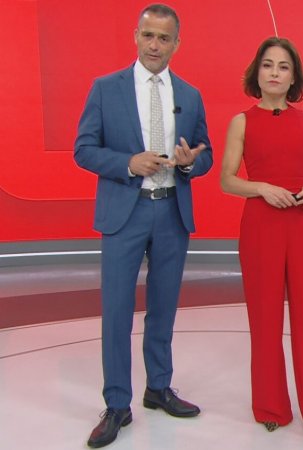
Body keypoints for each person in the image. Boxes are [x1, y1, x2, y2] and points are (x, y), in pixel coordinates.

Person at [74, 4, 213, 448]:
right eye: (148, 35)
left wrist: (190, 164)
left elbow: (206, 153)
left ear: (177, 43)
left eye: (164, 38)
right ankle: (117, 403)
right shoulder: (105, 89)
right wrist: (127, 163)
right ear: (136, 35)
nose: (155, 45)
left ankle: (158, 387)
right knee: (117, 309)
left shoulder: (190, 95)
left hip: (172, 212)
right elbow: (83, 149)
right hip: (125, 212)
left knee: (164, 307)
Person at [220, 37, 303, 446]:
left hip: (302, 223)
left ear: (294, 77)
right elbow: (227, 180)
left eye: (283, 67)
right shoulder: (242, 122)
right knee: (264, 319)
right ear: (256, 72)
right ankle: (271, 408)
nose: (274, 73)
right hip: (261, 224)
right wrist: (262, 188)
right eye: (267, 65)